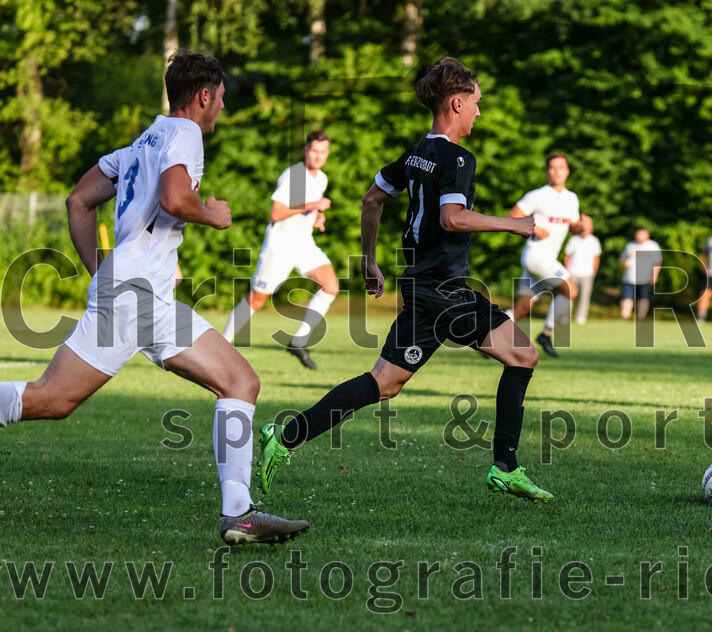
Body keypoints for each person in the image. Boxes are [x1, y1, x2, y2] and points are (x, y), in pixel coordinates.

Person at [0, 50, 309, 543]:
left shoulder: (143, 140)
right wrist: (212, 213)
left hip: (146, 295)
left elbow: (78, 201)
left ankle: (240, 514)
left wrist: (101, 271)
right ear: (204, 95)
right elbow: (173, 198)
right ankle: (239, 511)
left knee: (240, 381)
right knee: (52, 399)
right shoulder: (185, 133)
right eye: (222, 99)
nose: (222, 109)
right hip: (136, 293)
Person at [255, 57, 553, 502]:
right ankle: (506, 467)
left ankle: (285, 435)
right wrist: (515, 225)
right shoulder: (456, 157)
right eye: (476, 103)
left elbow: (372, 198)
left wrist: (369, 260)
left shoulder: (415, 153)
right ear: (456, 102)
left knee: (384, 382)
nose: (478, 112)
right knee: (524, 356)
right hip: (445, 289)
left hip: (420, 287)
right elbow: (452, 219)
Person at [222, 132, 338, 370]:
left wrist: (317, 217)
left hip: (303, 244)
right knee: (256, 300)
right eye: (314, 151)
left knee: (331, 286)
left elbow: (306, 209)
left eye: (323, 152)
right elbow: (276, 213)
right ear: (306, 151)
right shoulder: (293, 176)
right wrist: (313, 206)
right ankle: (222, 346)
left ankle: (299, 341)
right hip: (280, 247)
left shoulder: (321, 178)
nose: (318, 156)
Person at [507, 153, 586, 357]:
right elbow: (513, 216)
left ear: (567, 171)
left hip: (547, 260)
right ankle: (546, 334)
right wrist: (534, 228)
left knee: (522, 308)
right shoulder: (537, 195)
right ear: (547, 172)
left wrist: (581, 226)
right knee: (570, 289)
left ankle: (487, 338)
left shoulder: (571, 198)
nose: (557, 171)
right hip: (536, 256)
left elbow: (575, 227)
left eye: (561, 167)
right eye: (553, 167)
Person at [564, 215, 601, 324]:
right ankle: (566, 316)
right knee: (569, 295)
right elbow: (567, 256)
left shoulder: (594, 241)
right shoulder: (573, 240)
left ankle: (581, 316)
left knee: (585, 296)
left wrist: (594, 272)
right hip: (572, 272)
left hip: (587, 273)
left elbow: (596, 258)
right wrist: (567, 271)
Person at [620, 228, 662, 320]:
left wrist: (654, 275)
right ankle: (624, 317)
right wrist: (624, 265)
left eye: (641, 235)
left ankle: (640, 318)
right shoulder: (630, 245)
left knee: (643, 298)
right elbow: (622, 259)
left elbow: (657, 262)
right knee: (627, 297)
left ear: (647, 236)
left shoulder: (652, 246)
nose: (638, 236)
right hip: (629, 277)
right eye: (637, 234)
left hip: (645, 277)